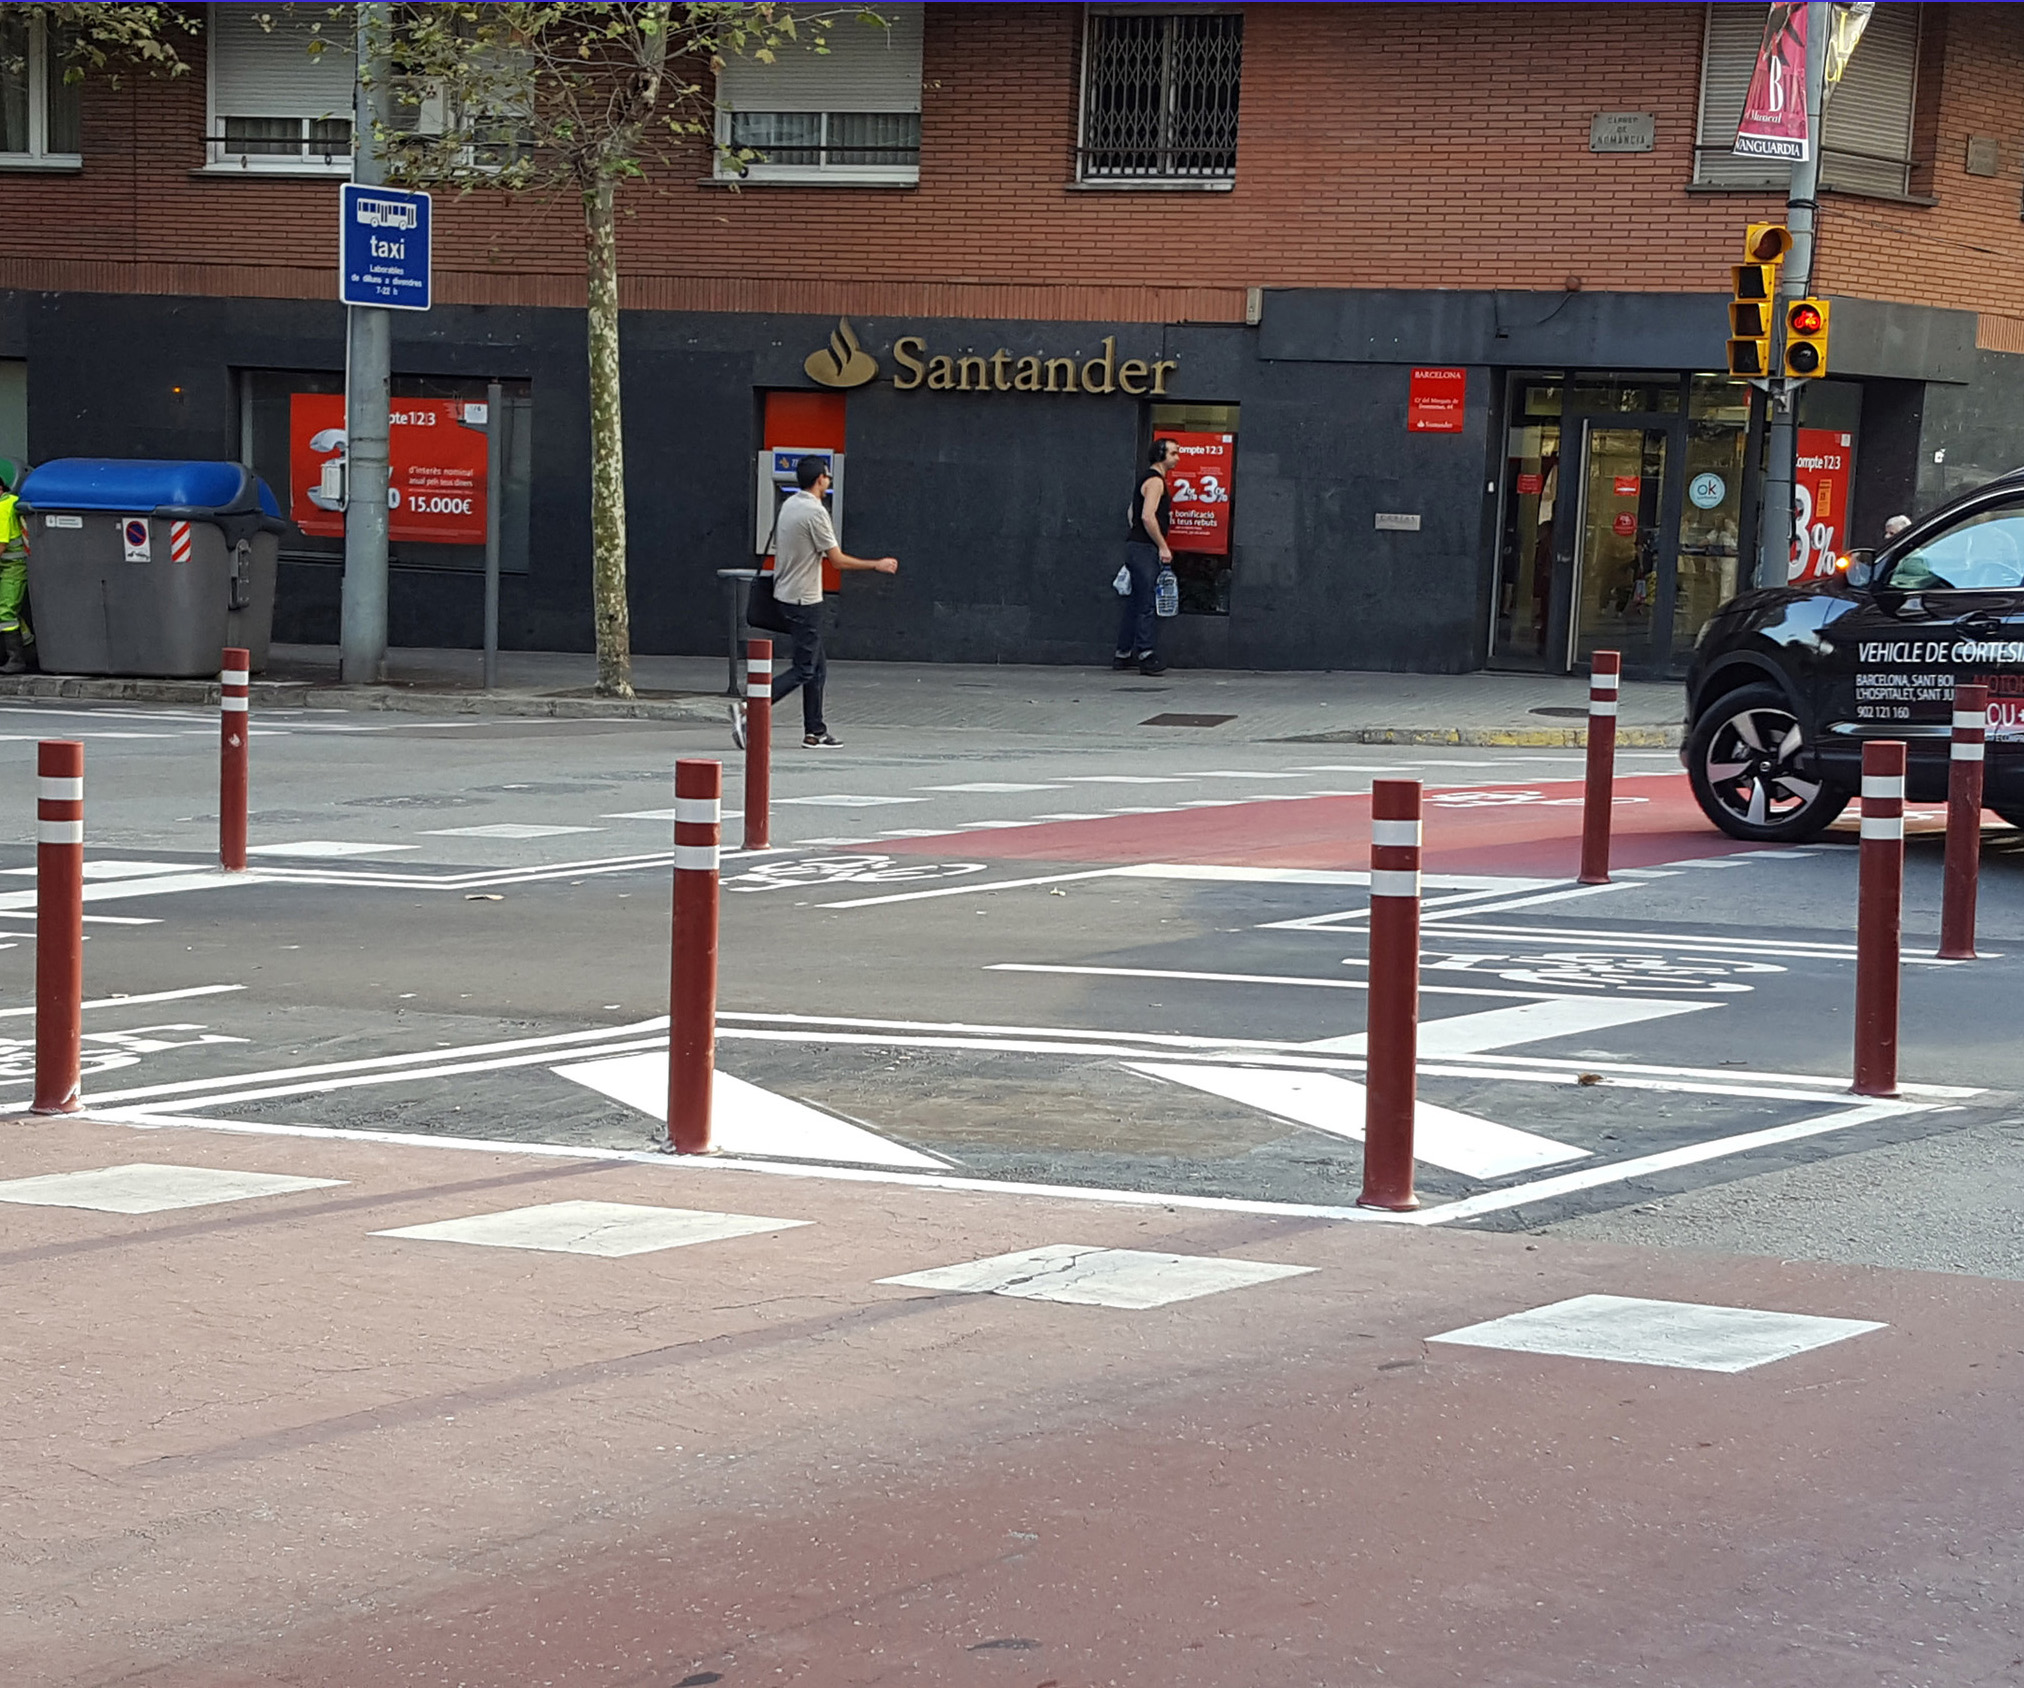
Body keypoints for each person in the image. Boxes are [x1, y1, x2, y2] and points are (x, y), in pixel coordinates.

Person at [733, 454, 896, 749]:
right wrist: (876, 565)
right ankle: (749, 706)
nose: (830, 481)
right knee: (805, 668)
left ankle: (815, 731)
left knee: (817, 665)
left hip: (784, 594)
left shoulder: (789, 505)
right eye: (828, 476)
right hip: (804, 600)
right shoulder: (815, 513)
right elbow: (837, 560)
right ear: (820, 479)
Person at [1116, 438, 1176, 676]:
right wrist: (1162, 546)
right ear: (1161, 455)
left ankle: (1123, 653)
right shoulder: (1155, 481)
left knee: (1135, 601)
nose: (1177, 457)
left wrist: (1136, 534)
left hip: (1135, 546)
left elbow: (1132, 512)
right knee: (1146, 602)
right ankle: (1146, 653)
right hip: (1145, 548)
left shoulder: (1144, 479)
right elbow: (1147, 516)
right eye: (1173, 453)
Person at [0, 466, 32, 675]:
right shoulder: (12, 501)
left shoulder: (3, 509)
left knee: (6, 612)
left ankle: (17, 659)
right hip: (12, 566)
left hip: (13, 567)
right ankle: (30, 647)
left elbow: (1, 545)